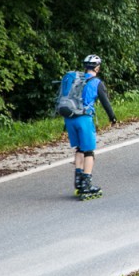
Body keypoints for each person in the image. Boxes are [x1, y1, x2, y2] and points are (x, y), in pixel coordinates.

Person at [56, 54, 117, 201]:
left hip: (69, 118)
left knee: (79, 149)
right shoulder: (96, 82)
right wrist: (112, 118)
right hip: (84, 118)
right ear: (97, 68)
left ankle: (78, 181)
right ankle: (86, 184)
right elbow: (105, 102)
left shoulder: (75, 80)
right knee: (89, 151)